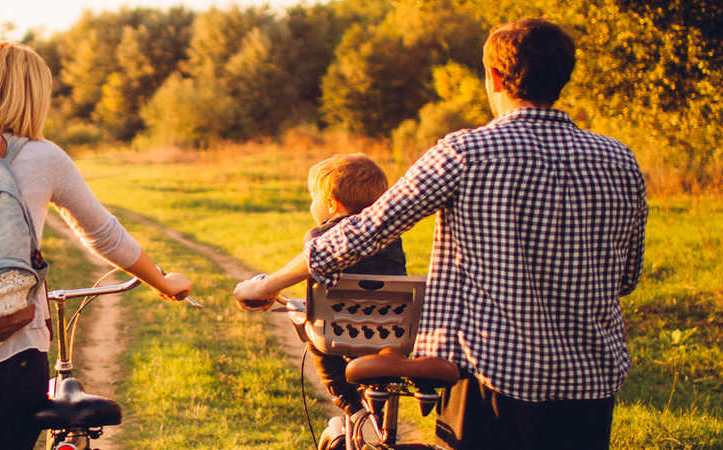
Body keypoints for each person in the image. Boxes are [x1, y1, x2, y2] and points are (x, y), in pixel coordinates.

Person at [233, 18, 646, 450]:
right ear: (563, 76)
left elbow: (364, 230)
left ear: (494, 77)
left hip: (494, 380)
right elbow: (626, 277)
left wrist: (271, 283)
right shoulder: (620, 160)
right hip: (591, 382)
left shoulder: (467, 152)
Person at [0, 41, 193, 450]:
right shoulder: (45, 157)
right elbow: (105, 235)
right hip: (11, 358)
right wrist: (163, 283)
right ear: (36, 96)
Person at [297, 153, 407, 416]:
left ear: (332, 204)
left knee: (313, 331)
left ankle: (344, 397)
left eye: (314, 198)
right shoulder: (392, 237)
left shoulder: (319, 235)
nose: (312, 204)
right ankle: (380, 398)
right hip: (389, 329)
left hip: (339, 327)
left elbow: (317, 276)